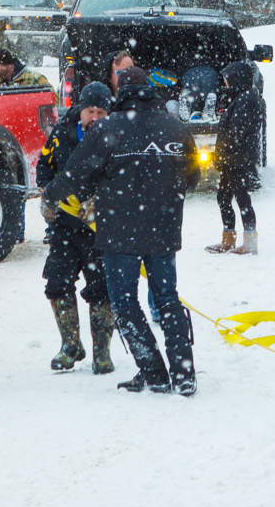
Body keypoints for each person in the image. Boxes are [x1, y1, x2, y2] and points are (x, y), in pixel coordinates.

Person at [41, 65, 203, 394]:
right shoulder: (176, 128)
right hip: (163, 228)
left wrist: (50, 194)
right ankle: (184, 374)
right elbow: (193, 176)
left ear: (121, 94)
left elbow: (75, 173)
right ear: (150, 90)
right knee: (168, 299)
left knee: (126, 304)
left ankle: (154, 372)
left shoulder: (109, 128)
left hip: (119, 232)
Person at [36, 80, 116, 373]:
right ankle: (70, 345)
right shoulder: (61, 133)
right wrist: (48, 196)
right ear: (80, 110)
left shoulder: (118, 136)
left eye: (100, 112)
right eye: (90, 111)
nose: (94, 118)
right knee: (57, 284)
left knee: (102, 289)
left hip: (102, 229)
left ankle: (102, 352)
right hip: (65, 227)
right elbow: (44, 167)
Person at [205, 61, 265, 256]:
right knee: (224, 197)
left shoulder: (246, 100)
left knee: (241, 198)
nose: (225, 83)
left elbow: (236, 133)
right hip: (232, 158)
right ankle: (228, 239)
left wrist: (223, 154)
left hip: (236, 159)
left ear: (238, 78)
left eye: (227, 79)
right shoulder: (242, 97)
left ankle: (249, 242)